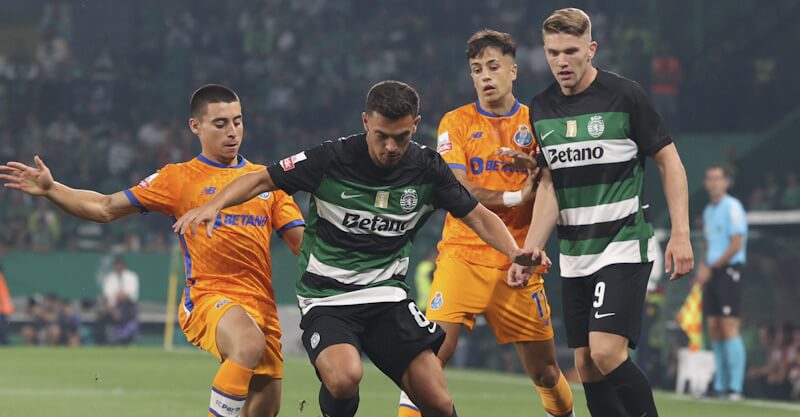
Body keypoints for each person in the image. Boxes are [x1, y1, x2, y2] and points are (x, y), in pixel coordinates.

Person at [174, 80, 535, 417]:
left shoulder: (428, 168)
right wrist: (215, 204)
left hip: (386, 296)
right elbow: (262, 178)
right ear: (365, 122)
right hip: (327, 296)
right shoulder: (332, 159)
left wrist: (514, 250)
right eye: (381, 136)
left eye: (401, 137)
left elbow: (478, 215)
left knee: (437, 401)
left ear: (416, 125)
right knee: (345, 376)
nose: (391, 147)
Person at [1, 84, 305, 417]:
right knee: (247, 344)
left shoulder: (265, 182)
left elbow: (302, 244)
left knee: (265, 409)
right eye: (220, 124)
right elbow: (105, 207)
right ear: (195, 126)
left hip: (262, 308)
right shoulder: (178, 178)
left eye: (238, 121)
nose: (233, 132)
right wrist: (52, 189)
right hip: (208, 298)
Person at [509, 8, 694, 417]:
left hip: (623, 242)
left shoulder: (625, 96)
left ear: (591, 49)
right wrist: (530, 249)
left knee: (607, 351)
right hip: (576, 253)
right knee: (586, 365)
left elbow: (670, 162)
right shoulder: (541, 109)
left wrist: (680, 232)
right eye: (553, 52)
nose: (561, 61)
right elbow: (550, 185)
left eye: (571, 51)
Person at [397, 30, 573, 417]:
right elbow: (456, 186)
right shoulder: (456, 122)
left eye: (493, 67)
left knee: (545, 373)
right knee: (427, 361)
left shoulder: (538, 122)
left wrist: (539, 170)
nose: (485, 76)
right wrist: (515, 196)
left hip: (518, 260)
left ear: (514, 70)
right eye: (477, 69)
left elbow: (554, 186)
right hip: (463, 256)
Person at [695, 165, 748, 400]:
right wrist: (703, 266)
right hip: (713, 272)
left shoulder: (733, 207)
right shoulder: (708, 211)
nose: (713, 183)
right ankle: (720, 384)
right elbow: (709, 243)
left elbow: (736, 243)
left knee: (729, 326)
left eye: (718, 178)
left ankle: (735, 387)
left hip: (729, 271)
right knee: (714, 327)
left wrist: (713, 267)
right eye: (710, 178)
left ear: (726, 182)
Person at [94, 255, 141, 344]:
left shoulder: (132, 277)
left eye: (120, 264)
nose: (118, 267)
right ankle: (106, 340)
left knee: (131, 313)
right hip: (113, 308)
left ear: (123, 265)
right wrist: (113, 310)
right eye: (116, 265)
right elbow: (107, 296)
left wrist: (122, 296)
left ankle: (127, 337)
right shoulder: (109, 278)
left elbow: (132, 294)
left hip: (128, 307)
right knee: (102, 311)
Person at [0, 264, 14, 345]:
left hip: (3, 310)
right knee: (2, 331)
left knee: (3, 331)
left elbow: (4, 296)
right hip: (3, 310)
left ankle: (6, 345)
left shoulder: (1, 279)